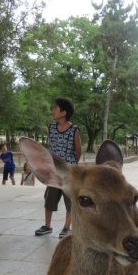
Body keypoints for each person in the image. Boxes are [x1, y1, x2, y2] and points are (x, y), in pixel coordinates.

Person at [35, 97, 81, 239]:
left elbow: (78, 151)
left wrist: (71, 166)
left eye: (55, 108)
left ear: (63, 112)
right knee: (49, 199)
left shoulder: (74, 130)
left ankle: (66, 228)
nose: (52, 111)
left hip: (68, 172)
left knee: (70, 201)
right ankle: (47, 226)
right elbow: (51, 146)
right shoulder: (51, 127)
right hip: (53, 171)